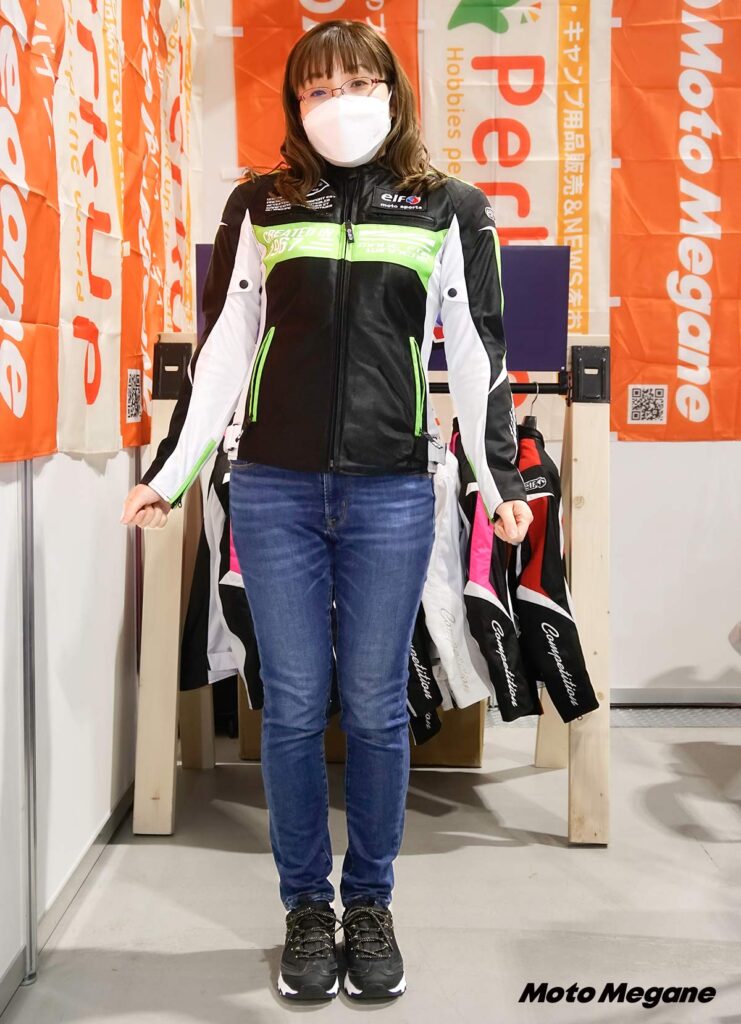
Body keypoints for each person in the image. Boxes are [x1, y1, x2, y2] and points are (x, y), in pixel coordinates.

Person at [121, 18, 532, 1003]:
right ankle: (307, 907)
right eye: (315, 88)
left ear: (392, 91)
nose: (336, 101)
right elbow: (225, 342)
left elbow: (477, 348)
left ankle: (371, 906)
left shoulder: (448, 207)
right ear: (294, 104)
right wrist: (171, 473)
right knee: (297, 704)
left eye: (355, 82)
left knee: (380, 708)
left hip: (392, 489)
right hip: (274, 487)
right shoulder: (261, 203)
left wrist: (500, 482)